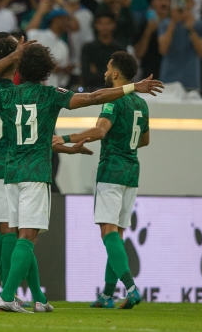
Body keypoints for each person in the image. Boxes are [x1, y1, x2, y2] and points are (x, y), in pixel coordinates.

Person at [0, 44, 164, 313]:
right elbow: (93, 97)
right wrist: (131, 88)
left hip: (11, 175)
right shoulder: (51, 95)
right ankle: (7, 296)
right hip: (35, 174)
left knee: (23, 236)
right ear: (46, 70)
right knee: (28, 236)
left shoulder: (5, 96)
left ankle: (38, 298)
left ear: (21, 69)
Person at [53, 51, 150, 309]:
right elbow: (145, 139)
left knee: (108, 233)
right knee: (116, 234)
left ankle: (130, 287)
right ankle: (107, 295)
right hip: (132, 170)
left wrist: (64, 138)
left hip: (111, 169)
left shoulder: (114, 101)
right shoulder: (141, 103)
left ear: (116, 73)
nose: (106, 74)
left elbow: (99, 131)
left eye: (108, 69)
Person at [158, 0, 202, 89]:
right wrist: (173, 22)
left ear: (193, 3)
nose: (184, 4)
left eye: (187, 1)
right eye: (180, 1)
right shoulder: (165, 24)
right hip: (169, 79)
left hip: (191, 81)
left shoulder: (201, 25)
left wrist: (191, 29)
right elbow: (163, 50)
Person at [81, 10, 125, 91]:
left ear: (114, 25)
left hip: (115, 92)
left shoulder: (120, 49)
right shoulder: (88, 48)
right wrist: (111, 72)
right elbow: (87, 76)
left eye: (108, 23)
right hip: (93, 93)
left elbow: (122, 76)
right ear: (96, 25)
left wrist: (97, 73)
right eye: (101, 23)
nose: (104, 27)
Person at [134, 0, 171, 80]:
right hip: (149, 76)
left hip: (170, 75)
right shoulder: (143, 24)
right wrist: (148, 31)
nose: (163, 3)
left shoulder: (174, 25)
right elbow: (138, 54)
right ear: (152, 2)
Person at [27, 9, 72, 87]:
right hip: (32, 88)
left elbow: (63, 80)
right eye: (65, 19)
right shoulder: (36, 35)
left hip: (52, 90)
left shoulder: (63, 46)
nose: (67, 23)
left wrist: (64, 70)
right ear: (55, 20)